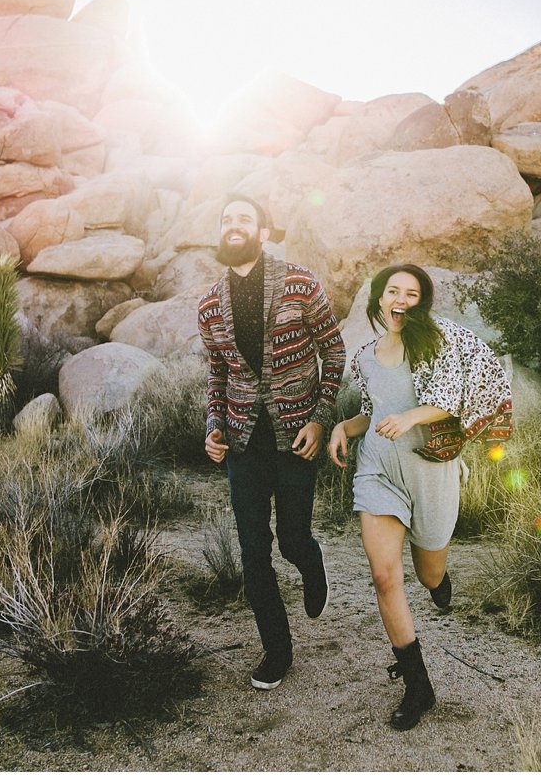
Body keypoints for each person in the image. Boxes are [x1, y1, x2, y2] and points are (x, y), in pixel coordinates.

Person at [328, 264, 512, 730]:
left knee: (428, 573)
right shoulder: (365, 357)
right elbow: (373, 414)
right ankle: (418, 684)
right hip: (379, 472)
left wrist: (412, 417)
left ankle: (437, 580)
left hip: (430, 472)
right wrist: (341, 427)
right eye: (394, 291)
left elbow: (452, 399)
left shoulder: (436, 344)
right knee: (385, 577)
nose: (402, 300)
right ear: (378, 299)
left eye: (412, 294)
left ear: (421, 304)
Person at [199, 194, 346, 691]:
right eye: (226, 218)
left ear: (263, 231)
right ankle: (277, 651)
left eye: (244, 218)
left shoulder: (300, 282)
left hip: (295, 437)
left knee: (292, 539)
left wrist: (320, 419)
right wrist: (212, 427)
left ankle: (311, 560)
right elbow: (217, 373)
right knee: (252, 550)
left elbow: (333, 350)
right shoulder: (208, 304)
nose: (233, 225)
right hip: (243, 443)